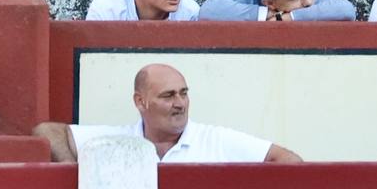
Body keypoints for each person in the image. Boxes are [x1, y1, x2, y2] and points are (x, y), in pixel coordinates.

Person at [42, 62, 299, 164]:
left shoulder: (215, 140)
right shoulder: (118, 140)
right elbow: (46, 131)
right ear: (140, 102)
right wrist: (73, 171)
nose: (180, 103)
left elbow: (288, 160)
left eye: (183, 93)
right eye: (168, 95)